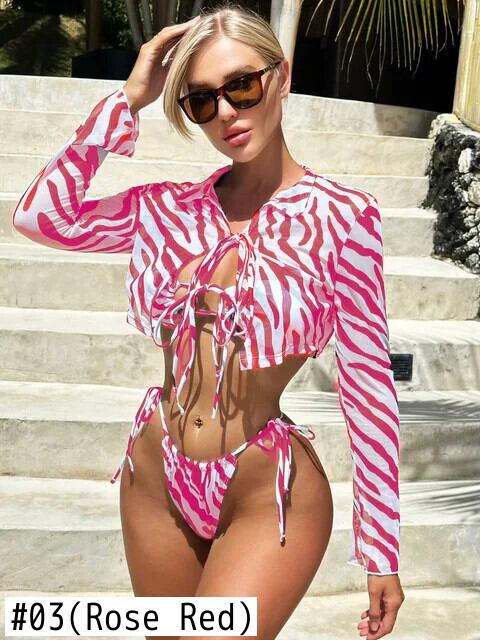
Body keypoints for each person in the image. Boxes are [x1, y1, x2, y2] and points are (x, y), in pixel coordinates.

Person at [12, 2, 405, 638]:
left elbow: (368, 384)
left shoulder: (343, 218)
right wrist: (129, 99)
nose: (225, 112)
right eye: (200, 100)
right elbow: (40, 218)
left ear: (281, 76)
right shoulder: (165, 210)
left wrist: (381, 550)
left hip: (265, 488)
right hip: (155, 474)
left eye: (241, 86)